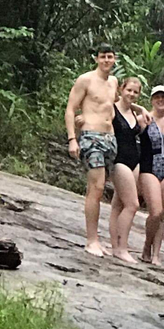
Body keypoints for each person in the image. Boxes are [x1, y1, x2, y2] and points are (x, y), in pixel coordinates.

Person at [65, 45, 120, 257]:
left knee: (101, 188)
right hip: (91, 137)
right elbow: (71, 108)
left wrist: (139, 109)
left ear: (114, 59)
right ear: (97, 59)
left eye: (110, 57)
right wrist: (72, 138)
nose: (107, 60)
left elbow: (113, 105)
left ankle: (96, 239)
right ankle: (91, 240)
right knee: (95, 188)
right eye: (103, 57)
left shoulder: (113, 82)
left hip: (110, 138)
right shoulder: (85, 80)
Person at [107, 76, 145, 264]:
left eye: (135, 92)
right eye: (129, 90)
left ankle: (114, 245)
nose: (131, 94)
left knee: (118, 205)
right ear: (122, 89)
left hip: (134, 160)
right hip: (119, 160)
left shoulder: (135, 114)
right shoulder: (112, 109)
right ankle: (122, 248)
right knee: (133, 204)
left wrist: (141, 109)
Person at [139, 84, 164, 266]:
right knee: (155, 211)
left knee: (162, 213)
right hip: (149, 165)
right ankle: (147, 246)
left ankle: (156, 254)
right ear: (152, 100)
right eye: (157, 97)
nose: (160, 100)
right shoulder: (144, 119)